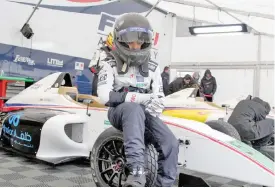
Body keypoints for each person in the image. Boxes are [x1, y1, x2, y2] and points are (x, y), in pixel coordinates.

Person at [96, 13, 179, 187]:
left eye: (140, 42)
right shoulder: (108, 62)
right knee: (132, 109)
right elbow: (104, 96)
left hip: (144, 112)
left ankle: (164, 184)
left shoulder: (153, 66)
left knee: (170, 141)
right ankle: (136, 175)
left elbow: (159, 94)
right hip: (119, 111)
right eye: (131, 42)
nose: (136, 46)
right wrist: (141, 98)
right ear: (120, 40)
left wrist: (157, 103)